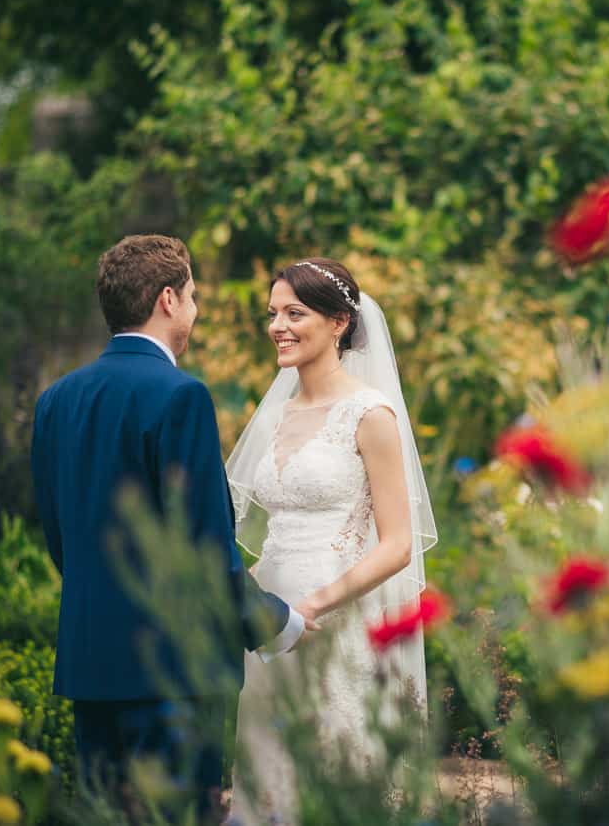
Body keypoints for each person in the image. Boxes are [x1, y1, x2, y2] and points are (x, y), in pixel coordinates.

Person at [30, 234, 317, 821]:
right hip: (175, 677)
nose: (195, 309)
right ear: (167, 299)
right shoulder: (180, 396)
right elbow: (204, 550)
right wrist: (274, 621)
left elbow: (61, 540)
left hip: (90, 666)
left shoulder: (56, 400)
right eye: (192, 296)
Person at [224, 258, 437, 823]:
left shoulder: (370, 414)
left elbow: (397, 544)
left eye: (295, 313)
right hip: (273, 617)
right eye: (273, 314)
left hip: (336, 618)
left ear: (340, 321)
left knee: (334, 767)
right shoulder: (278, 414)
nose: (278, 326)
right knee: (269, 768)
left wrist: (314, 603)